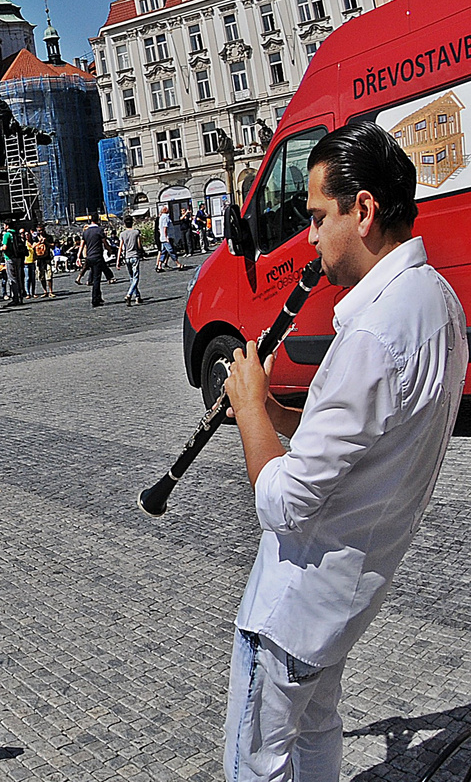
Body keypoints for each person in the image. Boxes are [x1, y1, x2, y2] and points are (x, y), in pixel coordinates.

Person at [220, 121, 467, 782]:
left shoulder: (372, 334)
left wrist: (245, 408)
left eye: (316, 217)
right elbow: (362, 433)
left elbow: (285, 503)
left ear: (361, 211)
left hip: (291, 606)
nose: (308, 237)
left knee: (257, 760)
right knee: (316, 726)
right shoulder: (436, 301)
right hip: (346, 595)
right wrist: (275, 412)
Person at [79, 218, 108, 307]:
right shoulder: (99, 230)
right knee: (96, 279)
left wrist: (78, 256)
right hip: (97, 256)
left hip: (89, 257)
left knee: (95, 276)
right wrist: (109, 249)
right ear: (98, 220)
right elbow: (104, 242)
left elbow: (82, 245)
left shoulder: (86, 232)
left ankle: (99, 297)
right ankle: (95, 299)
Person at [118, 215, 144, 306]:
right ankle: (129, 294)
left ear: (124, 224)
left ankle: (137, 296)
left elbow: (120, 248)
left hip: (127, 257)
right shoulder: (136, 232)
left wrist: (118, 261)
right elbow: (139, 245)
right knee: (136, 277)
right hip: (135, 256)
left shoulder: (122, 234)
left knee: (131, 278)